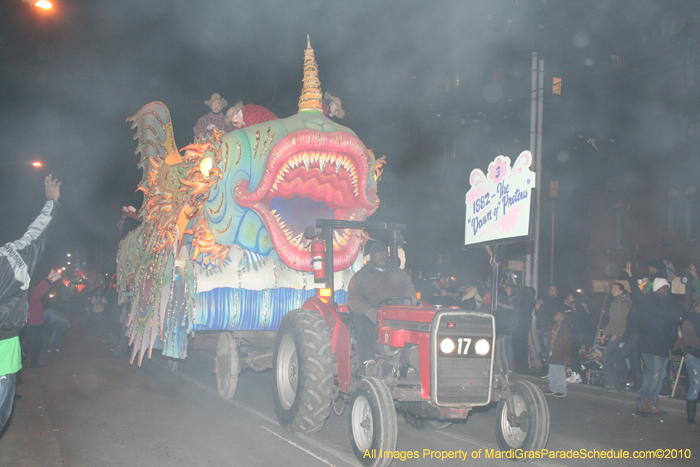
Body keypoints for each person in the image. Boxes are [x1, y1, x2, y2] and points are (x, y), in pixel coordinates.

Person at [0, 175, 61, 431]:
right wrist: (51, 203)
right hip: (7, 339)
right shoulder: (12, 257)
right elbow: (35, 235)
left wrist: (49, 280)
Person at [623, 262, 684, 417]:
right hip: (650, 344)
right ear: (658, 289)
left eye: (667, 288)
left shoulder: (669, 303)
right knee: (653, 374)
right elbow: (636, 294)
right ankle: (642, 403)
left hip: (664, 346)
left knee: (660, 375)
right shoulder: (649, 301)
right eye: (664, 287)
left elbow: (677, 318)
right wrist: (631, 276)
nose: (667, 290)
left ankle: (653, 403)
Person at [347, 240, 416, 367]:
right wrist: (369, 311)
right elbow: (354, 298)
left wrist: (408, 302)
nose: (382, 255)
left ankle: (410, 360)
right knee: (363, 326)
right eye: (379, 253)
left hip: (397, 313)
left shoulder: (398, 273)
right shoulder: (360, 276)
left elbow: (408, 287)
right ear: (372, 256)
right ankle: (368, 362)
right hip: (372, 314)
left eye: (384, 253)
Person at [24, 270, 62, 368]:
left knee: (27, 345)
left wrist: (50, 278)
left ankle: (25, 363)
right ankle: (33, 363)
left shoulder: (31, 297)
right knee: (34, 345)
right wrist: (51, 279)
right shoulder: (32, 297)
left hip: (32, 324)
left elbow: (39, 289)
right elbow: (40, 290)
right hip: (33, 325)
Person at [600, 283, 632, 390]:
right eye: (612, 289)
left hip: (619, 334)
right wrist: (605, 334)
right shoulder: (615, 302)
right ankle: (618, 381)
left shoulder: (623, 303)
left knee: (606, 355)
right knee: (613, 357)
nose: (613, 291)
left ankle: (609, 380)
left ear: (621, 291)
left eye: (615, 289)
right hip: (613, 333)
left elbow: (624, 320)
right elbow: (612, 320)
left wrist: (617, 333)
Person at [683, 263, 700, 425]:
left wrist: (695, 277)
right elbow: (687, 338)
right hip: (694, 355)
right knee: (695, 384)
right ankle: (691, 419)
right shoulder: (690, 318)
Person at [543, 310, 571, 397]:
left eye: (557, 315)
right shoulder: (553, 327)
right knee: (552, 372)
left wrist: (562, 352)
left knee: (560, 373)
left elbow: (566, 343)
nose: (555, 316)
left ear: (562, 318)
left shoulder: (565, 329)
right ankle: (553, 388)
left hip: (559, 354)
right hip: (552, 352)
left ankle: (562, 390)